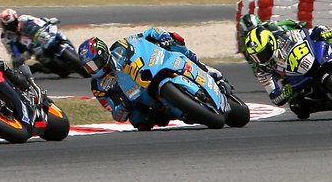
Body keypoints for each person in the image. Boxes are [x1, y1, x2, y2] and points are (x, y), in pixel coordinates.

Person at [77, 28, 229, 130]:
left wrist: (162, 36)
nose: (94, 69)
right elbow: (116, 114)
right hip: (140, 99)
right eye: (89, 67)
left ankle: (204, 68)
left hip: (151, 69)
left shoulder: (120, 47)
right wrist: (123, 106)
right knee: (137, 120)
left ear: (103, 54)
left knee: (175, 39)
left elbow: (146, 35)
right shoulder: (98, 87)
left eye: (94, 63)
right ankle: (174, 111)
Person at [239, 15, 332, 116]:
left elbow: (302, 26)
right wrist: (285, 93)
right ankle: (331, 103)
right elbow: (275, 97)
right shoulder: (256, 63)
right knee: (297, 107)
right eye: (248, 34)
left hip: (303, 52)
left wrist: (317, 32)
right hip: (290, 74)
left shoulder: (275, 27)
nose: (253, 35)